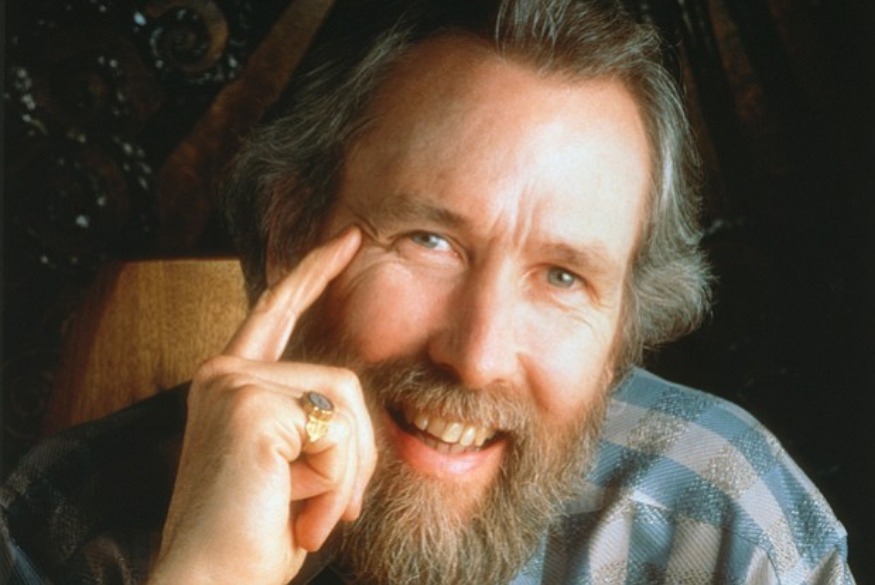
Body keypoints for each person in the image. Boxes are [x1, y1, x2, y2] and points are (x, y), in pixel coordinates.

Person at [1, 0, 854, 583]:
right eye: (429, 240)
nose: (476, 356)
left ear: (621, 327)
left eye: (562, 276)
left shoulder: (722, 524)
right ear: (291, 230)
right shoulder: (62, 525)